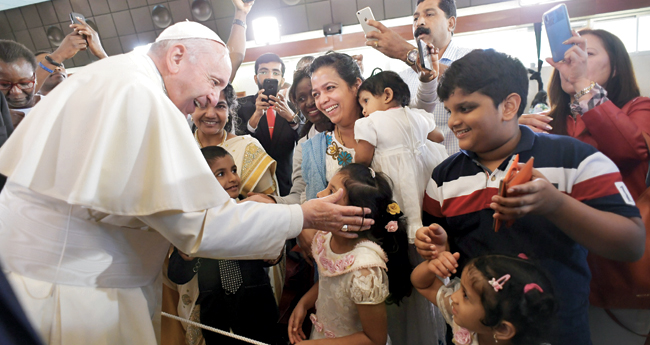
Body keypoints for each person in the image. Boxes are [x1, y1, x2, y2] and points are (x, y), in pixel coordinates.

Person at [0, 21, 372, 345]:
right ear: (176, 56)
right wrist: (301, 216)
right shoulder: (139, 93)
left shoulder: (118, 78)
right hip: (71, 295)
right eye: (213, 81)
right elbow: (202, 223)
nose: (213, 98)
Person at [417, 48, 645, 345]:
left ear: (509, 105)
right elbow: (440, 246)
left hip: (558, 334)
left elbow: (631, 244)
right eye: (449, 111)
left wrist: (556, 205)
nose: (453, 122)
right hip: (475, 335)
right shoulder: (444, 177)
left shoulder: (574, 158)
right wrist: (436, 245)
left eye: (466, 108)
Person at [521, 29, 650, 344]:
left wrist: (582, 85)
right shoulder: (547, 121)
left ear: (615, 67)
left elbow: (630, 148)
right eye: (568, 54)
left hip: (616, 266)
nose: (572, 59)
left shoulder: (639, 108)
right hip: (559, 271)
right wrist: (514, 131)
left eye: (587, 54)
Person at [168, 146, 282, 345]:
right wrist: (188, 256)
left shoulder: (251, 211)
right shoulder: (195, 223)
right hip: (215, 314)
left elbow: (271, 249)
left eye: (234, 170)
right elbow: (177, 274)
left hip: (258, 306)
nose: (232, 178)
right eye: (221, 174)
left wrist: (274, 254)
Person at [287, 164, 412, 344]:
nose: (320, 195)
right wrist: (304, 303)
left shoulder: (365, 271)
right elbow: (330, 278)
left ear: (354, 214)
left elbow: (375, 338)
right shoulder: (325, 237)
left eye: (332, 192)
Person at [364, 0, 473, 155]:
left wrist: (407, 53)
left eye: (429, 14)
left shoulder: (470, 58)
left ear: (451, 23)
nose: (420, 22)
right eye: (415, 18)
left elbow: (472, 83)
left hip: (466, 170)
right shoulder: (403, 78)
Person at [355, 70, 447, 241]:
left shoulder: (371, 122)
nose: (364, 111)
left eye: (366, 101)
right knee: (431, 229)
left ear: (387, 95)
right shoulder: (417, 115)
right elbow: (439, 137)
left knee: (402, 232)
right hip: (426, 184)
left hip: (398, 188)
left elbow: (361, 160)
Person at [412, 252, 558, 344]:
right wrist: (431, 266)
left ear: (502, 328)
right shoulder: (466, 321)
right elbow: (424, 284)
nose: (454, 297)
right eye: (461, 288)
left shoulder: (468, 319)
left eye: (465, 295)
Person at [193, 84, 277, 196]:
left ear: (229, 112)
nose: (210, 114)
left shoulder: (248, 148)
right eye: (202, 105)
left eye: (220, 106)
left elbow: (269, 203)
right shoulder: (179, 149)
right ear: (191, 108)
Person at [236, 53, 300, 196]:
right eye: (264, 71)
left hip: (285, 185)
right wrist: (256, 115)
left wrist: (290, 117)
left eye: (275, 72)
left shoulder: (294, 108)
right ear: (255, 78)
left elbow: (304, 140)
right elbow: (237, 143)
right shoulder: (241, 106)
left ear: (282, 80)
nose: (270, 76)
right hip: (252, 185)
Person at [0, 40, 40, 127]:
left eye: (24, 83)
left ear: (34, 78)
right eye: (4, 85)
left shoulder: (58, 105)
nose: (16, 91)